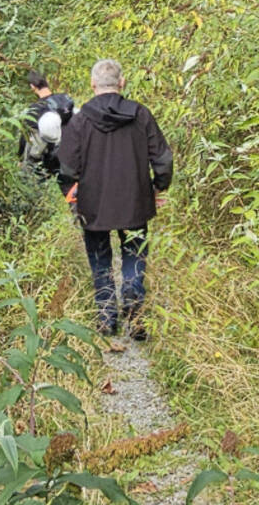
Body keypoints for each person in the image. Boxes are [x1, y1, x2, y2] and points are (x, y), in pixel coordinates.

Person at [57, 59, 173, 340]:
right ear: (122, 83)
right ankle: (134, 315)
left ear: (93, 85)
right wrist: (158, 187)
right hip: (135, 202)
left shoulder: (80, 121)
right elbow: (163, 158)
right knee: (134, 255)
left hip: (93, 205)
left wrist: (72, 196)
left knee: (100, 260)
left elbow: (67, 168)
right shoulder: (141, 115)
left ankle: (107, 318)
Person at [18, 70, 74, 183]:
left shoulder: (35, 109)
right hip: (69, 154)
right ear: (47, 82)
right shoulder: (64, 99)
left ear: (32, 87)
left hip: (47, 158)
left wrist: (19, 157)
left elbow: (25, 136)